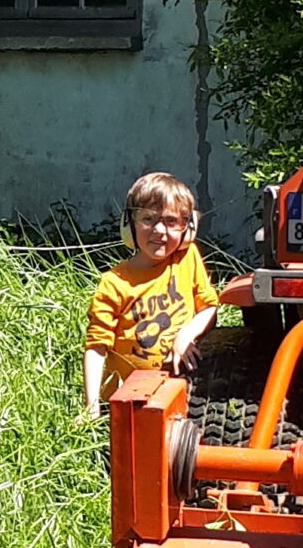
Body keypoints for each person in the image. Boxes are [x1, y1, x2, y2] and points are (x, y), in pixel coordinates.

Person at [83, 171, 218, 419]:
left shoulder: (187, 259)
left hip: (181, 392)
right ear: (129, 224)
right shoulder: (114, 283)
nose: (159, 231)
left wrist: (185, 335)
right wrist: (91, 408)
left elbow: (210, 307)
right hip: (128, 404)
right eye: (148, 219)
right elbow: (96, 346)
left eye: (171, 221)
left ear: (188, 229)